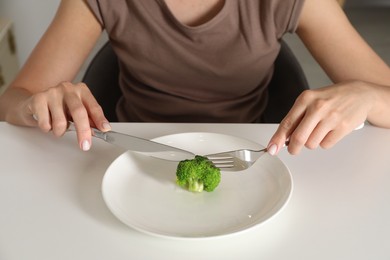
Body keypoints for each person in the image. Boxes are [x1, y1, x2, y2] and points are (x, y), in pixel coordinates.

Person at [0, 0, 389, 155]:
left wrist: (367, 95)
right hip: (127, 153)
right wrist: (37, 104)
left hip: (247, 157)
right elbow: (13, 98)